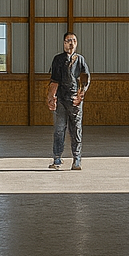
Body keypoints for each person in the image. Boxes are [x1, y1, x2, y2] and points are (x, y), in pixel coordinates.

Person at [46, 31, 92, 171]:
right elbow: (54, 80)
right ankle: (57, 158)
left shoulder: (80, 60)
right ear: (64, 43)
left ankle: (77, 159)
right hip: (61, 99)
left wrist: (80, 95)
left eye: (74, 41)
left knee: (76, 129)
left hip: (75, 101)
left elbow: (85, 79)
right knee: (59, 129)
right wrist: (51, 97)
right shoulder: (58, 59)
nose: (71, 43)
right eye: (68, 41)